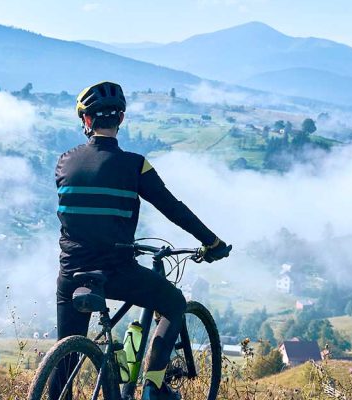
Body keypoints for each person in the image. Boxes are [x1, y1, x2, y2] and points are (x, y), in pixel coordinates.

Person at [52, 81, 231, 400]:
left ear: (87, 121)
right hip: (116, 273)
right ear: (120, 119)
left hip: (72, 275)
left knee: (64, 361)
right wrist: (212, 242)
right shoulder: (136, 166)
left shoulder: (65, 161)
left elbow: (84, 216)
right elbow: (173, 208)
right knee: (174, 302)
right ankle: (154, 387)